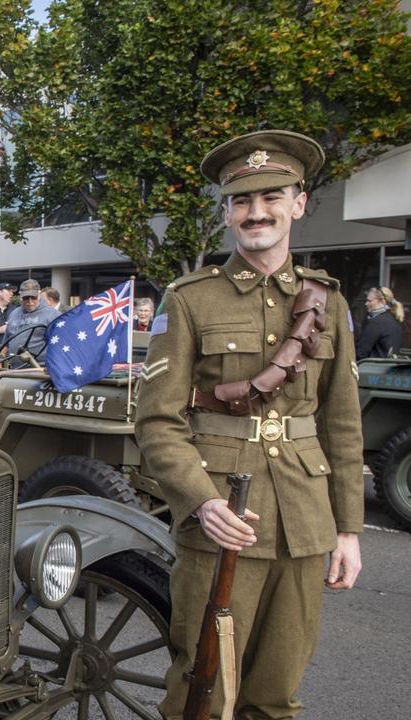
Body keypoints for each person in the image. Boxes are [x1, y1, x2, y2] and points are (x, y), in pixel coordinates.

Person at [136, 130, 362, 720]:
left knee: (276, 690)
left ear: (298, 203)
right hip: (222, 520)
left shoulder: (328, 304)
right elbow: (158, 421)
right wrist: (201, 501)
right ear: (228, 211)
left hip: (305, 522)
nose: (255, 212)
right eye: (241, 201)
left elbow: (341, 422)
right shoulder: (190, 300)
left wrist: (348, 530)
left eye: (271, 197)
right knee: (199, 685)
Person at [2, 279, 59, 361]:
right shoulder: (14, 313)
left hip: (40, 369)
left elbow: (60, 344)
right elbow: (6, 341)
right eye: (26, 298)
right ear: (20, 297)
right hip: (15, 369)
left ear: (39, 295)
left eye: (33, 297)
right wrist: (1, 358)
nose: (30, 301)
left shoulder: (53, 315)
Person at [355, 286, 404, 359]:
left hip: (372, 368)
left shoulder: (376, 323)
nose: (366, 304)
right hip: (389, 368)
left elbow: (360, 352)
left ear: (382, 302)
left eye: (369, 301)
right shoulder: (394, 320)